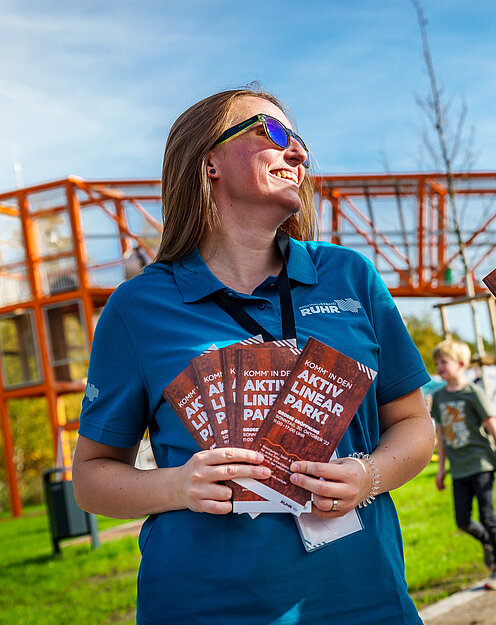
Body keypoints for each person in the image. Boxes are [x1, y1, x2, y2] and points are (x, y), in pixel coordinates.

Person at [72, 87, 436, 624]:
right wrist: (176, 486)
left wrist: (368, 475)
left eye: (300, 141)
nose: (299, 153)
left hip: (365, 599)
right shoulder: (137, 308)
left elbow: (413, 426)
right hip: (205, 608)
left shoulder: (349, 275)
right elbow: (91, 477)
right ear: (210, 161)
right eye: (274, 133)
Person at [430, 339, 496, 590]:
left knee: (487, 515)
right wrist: (441, 469)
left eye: (443, 362)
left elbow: (493, 429)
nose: (439, 366)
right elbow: (442, 436)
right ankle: (489, 544)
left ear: (460, 364)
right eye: (436, 362)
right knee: (463, 520)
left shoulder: (473, 393)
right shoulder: (438, 397)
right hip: (458, 470)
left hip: (481, 464)